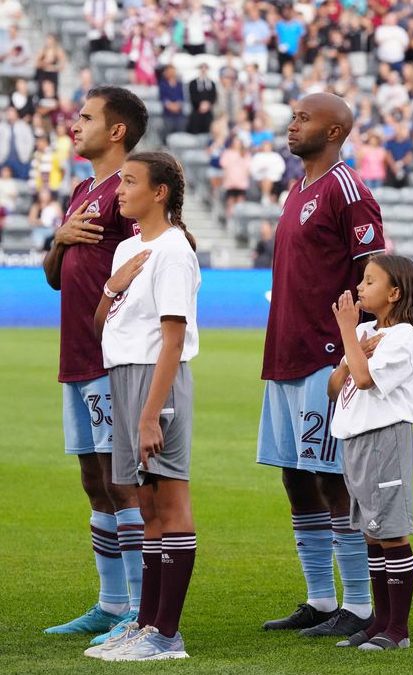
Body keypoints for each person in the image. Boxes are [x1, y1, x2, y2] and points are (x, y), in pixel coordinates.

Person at [257, 93, 387, 638]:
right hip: (284, 353)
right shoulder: (297, 190)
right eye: (293, 116)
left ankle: (357, 605)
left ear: (334, 132)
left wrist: (357, 348)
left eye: (304, 118)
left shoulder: (349, 190)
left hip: (325, 356)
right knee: (296, 475)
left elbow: (375, 276)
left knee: (334, 478)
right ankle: (319, 596)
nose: (292, 125)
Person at [42, 86, 149, 644]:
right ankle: (110, 604)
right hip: (76, 357)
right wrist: (57, 241)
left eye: (86, 117)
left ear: (117, 131)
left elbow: (149, 262)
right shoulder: (84, 189)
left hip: (113, 359)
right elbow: (55, 274)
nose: (73, 124)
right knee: (93, 478)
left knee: (122, 480)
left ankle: (137, 608)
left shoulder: (132, 189)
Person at [88, 151, 201, 661]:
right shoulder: (130, 250)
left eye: (130, 182)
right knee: (148, 506)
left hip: (157, 382)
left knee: (170, 503)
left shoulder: (174, 251)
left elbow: (172, 341)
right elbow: (102, 329)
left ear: (160, 192)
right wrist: (114, 285)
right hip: (125, 376)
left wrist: (151, 413)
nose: (119, 190)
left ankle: (166, 635)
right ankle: (149, 624)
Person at [327, 255, 413, 651]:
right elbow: (335, 386)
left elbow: (365, 379)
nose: (361, 287)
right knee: (371, 533)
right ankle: (379, 622)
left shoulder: (404, 336)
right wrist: (354, 344)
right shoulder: (366, 331)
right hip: (355, 441)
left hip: (386, 438)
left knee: (391, 532)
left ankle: (397, 630)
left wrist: (350, 338)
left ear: (395, 292)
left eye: (370, 282)